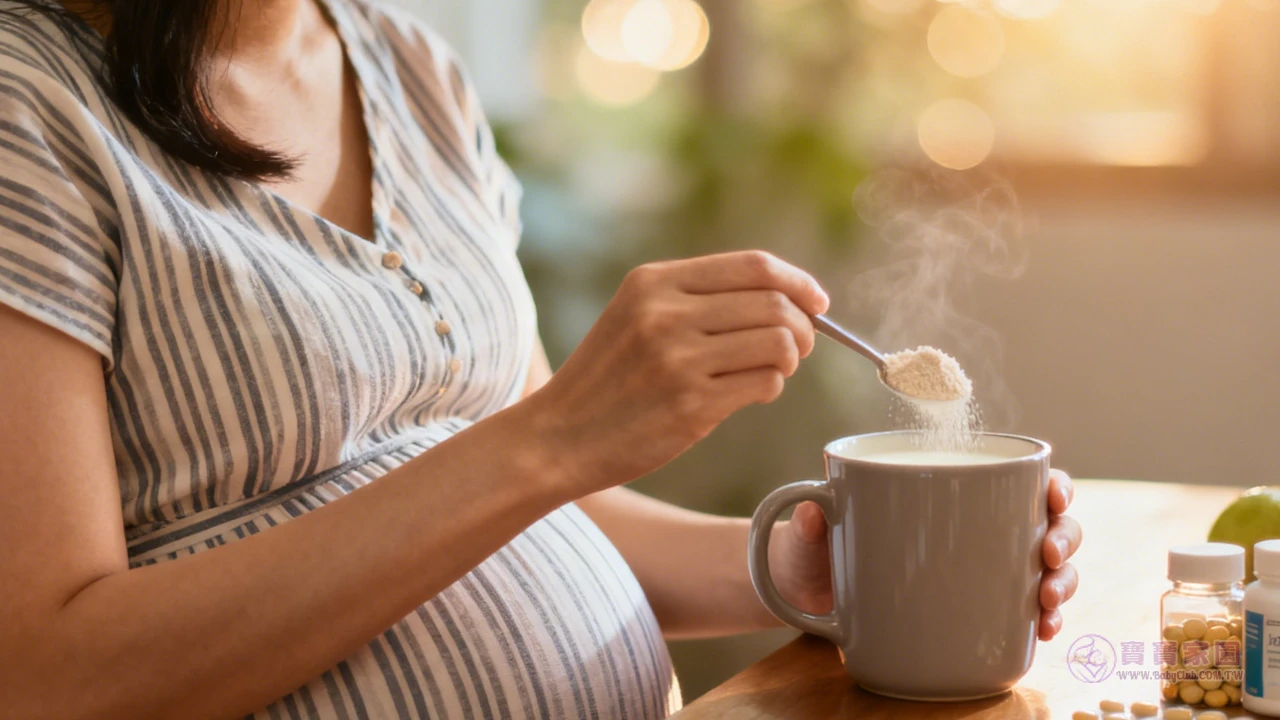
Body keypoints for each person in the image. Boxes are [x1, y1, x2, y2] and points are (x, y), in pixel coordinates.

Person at [0, 1, 1082, 718]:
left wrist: (830, 575)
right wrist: (558, 433)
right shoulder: (28, 107)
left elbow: (537, 504)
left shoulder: (409, 71)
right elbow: (42, 674)